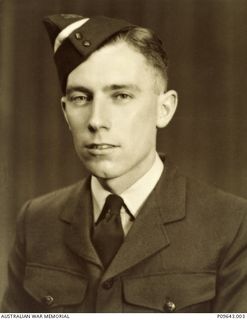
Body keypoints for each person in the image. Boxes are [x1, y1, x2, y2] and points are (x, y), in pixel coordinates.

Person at [1, 14, 247, 313]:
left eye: (121, 95)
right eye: (81, 98)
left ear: (164, 109)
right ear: (65, 113)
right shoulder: (37, 220)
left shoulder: (232, 224)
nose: (96, 121)